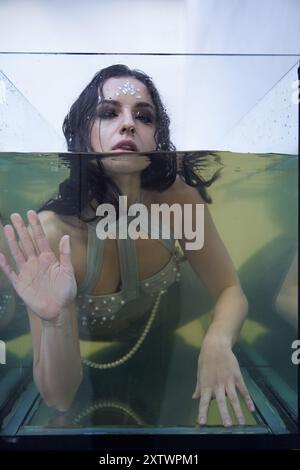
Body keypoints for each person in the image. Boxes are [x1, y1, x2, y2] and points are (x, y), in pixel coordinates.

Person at [0, 64, 254, 427]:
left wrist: (217, 342)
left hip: (161, 323)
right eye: (108, 112)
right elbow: (60, 397)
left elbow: (231, 289)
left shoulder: (178, 200)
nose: (129, 123)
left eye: (144, 116)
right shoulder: (53, 236)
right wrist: (54, 319)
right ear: (82, 133)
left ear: (155, 139)